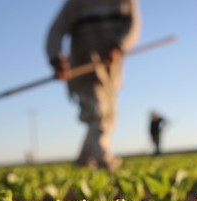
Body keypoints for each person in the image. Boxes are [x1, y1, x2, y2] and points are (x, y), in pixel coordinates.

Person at [46, 0, 141, 171]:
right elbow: (56, 31)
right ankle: (105, 160)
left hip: (111, 71)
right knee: (97, 113)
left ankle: (83, 161)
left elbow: (133, 26)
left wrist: (120, 47)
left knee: (109, 118)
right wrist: (56, 59)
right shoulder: (76, 4)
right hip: (84, 68)